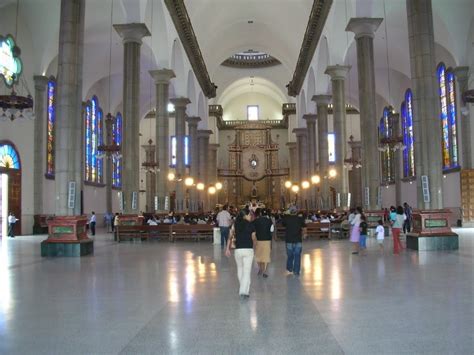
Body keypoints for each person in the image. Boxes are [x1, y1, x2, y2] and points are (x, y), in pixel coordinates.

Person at [225, 207, 256, 299]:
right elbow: (254, 238)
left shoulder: (235, 225)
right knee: (246, 271)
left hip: (238, 250)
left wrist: (227, 248)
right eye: (249, 214)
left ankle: (244, 287)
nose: (250, 216)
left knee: (240, 269)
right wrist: (254, 247)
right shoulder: (251, 225)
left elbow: (230, 237)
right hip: (248, 249)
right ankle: (243, 291)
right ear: (244, 215)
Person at [282, 205, 306, 276]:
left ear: (290, 211)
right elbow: (304, 227)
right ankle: (296, 271)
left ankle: (289, 269)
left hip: (289, 240)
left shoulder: (286, 218)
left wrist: (286, 213)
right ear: (296, 211)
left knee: (290, 255)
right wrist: (304, 234)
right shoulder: (300, 219)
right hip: (298, 239)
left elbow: (283, 224)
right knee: (297, 255)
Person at [253, 209, 273, 278]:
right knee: (266, 256)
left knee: (258, 255)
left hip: (258, 240)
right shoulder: (269, 221)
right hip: (267, 240)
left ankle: (260, 268)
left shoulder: (256, 221)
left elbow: (253, 230)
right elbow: (272, 230)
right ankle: (264, 271)